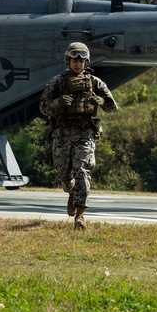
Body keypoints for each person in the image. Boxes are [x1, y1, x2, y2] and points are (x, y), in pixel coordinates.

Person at [39, 42, 117, 230]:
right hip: (62, 134)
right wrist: (57, 103)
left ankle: (80, 216)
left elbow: (113, 107)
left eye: (82, 61)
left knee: (83, 170)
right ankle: (71, 192)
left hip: (85, 134)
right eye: (75, 60)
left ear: (86, 62)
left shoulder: (95, 83)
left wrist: (101, 101)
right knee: (64, 175)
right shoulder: (57, 82)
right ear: (68, 60)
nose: (78, 64)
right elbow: (42, 106)